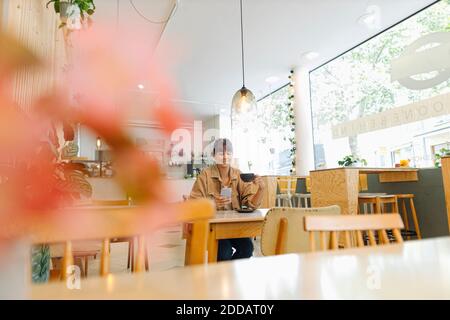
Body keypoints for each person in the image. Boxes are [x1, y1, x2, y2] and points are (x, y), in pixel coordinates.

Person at [189, 138, 265, 261]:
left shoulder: (238, 175)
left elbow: (251, 204)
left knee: (247, 248)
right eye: (220, 153)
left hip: (233, 228)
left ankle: (230, 274)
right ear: (214, 155)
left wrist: (261, 190)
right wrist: (212, 204)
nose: (225, 157)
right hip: (212, 229)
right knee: (224, 251)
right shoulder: (204, 176)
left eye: (228, 153)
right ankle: (222, 276)